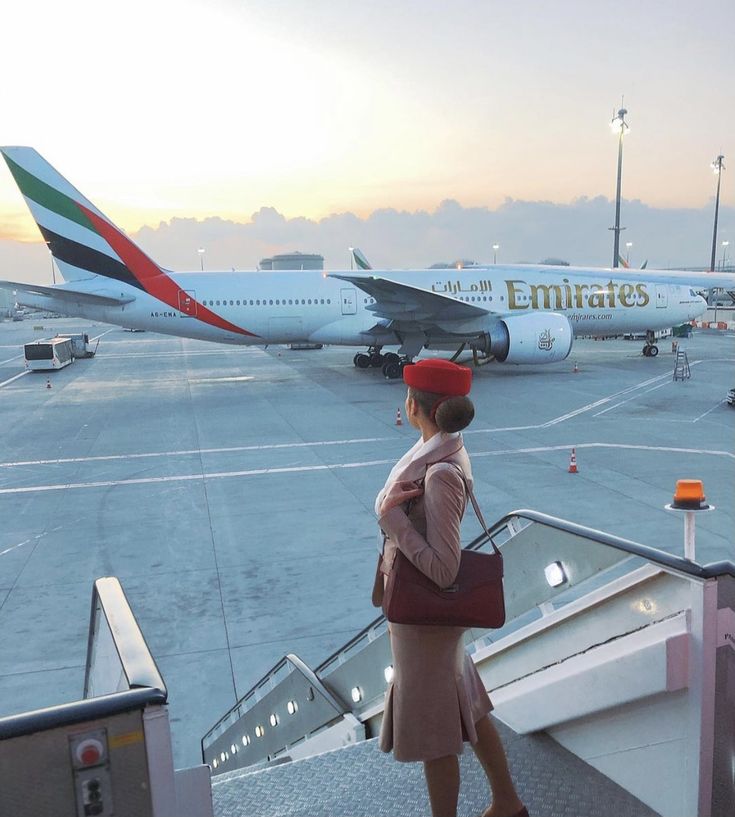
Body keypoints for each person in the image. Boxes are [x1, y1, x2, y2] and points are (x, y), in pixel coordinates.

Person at [373, 358, 527, 817]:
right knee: (468, 704)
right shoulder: (443, 450)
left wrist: (392, 521)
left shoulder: (438, 472)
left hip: (425, 619)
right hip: (429, 620)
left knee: (434, 736)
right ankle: (507, 802)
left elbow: (444, 568)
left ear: (414, 406)